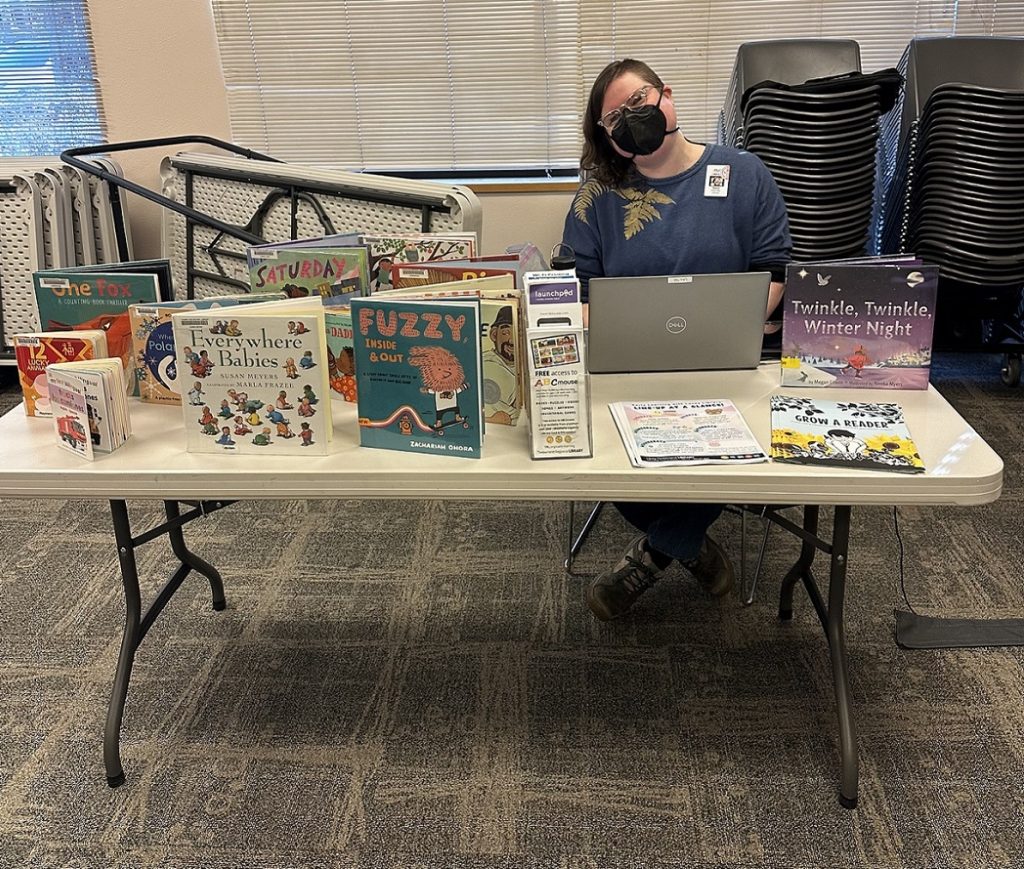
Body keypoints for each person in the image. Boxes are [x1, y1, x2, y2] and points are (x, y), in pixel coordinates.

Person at [561, 58, 791, 621]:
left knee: (732, 436)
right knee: (602, 449)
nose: (630, 119)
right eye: (613, 117)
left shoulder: (744, 174)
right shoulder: (597, 198)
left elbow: (773, 270)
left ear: (668, 95)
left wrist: (732, 328)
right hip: (626, 371)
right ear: (607, 139)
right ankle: (687, 543)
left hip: (728, 366)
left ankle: (657, 552)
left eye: (638, 102)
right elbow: (575, 293)